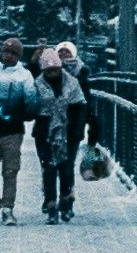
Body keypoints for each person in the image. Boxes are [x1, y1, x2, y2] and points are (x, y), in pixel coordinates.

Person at [29, 44, 97, 221]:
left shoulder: (72, 83)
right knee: (49, 168)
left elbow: (82, 105)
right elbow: (30, 106)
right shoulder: (37, 84)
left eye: (55, 70)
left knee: (66, 168)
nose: (52, 74)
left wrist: (78, 129)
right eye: (48, 70)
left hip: (69, 130)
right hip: (45, 131)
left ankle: (65, 202)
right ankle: (51, 204)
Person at [0, 33, 37, 215]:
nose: (8, 55)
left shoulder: (24, 75)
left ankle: (7, 207)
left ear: (18, 56)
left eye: (13, 53)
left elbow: (32, 102)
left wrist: (19, 114)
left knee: (10, 171)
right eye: (6, 51)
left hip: (12, 131)